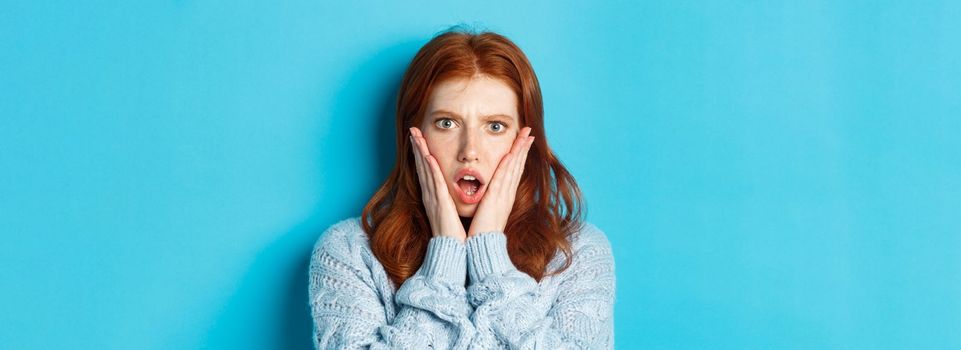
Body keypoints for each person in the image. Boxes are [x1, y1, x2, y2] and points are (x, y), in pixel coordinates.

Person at [309, 27, 615, 349]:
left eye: (495, 126)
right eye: (446, 123)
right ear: (414, 135)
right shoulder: (348, 253)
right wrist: (443, 262)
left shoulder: (576, 253)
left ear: (524, 139)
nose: (470, 150)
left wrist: (490, 260)